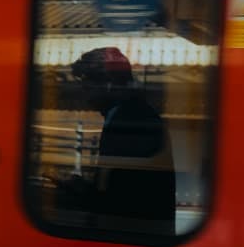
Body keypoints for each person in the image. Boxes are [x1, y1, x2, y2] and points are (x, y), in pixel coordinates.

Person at [62, 46, 175, 235]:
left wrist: (81, 192)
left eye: (88, 87)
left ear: (108, 84)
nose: (85, 96)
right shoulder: (127, 114)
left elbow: (127, 199)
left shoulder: (132, 120)